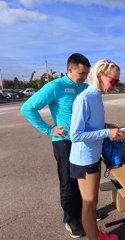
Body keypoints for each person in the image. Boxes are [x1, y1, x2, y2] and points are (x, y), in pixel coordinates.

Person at [21, 53, 91, 238]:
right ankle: (71, 219)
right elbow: (28, 107)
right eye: (81, 73)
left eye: (86, 74)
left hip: (82, 140)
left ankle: (84, 212)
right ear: (70, 69)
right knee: (68, 181)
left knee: (82, 179)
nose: (84, 77)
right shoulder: (55, 86)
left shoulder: (84, 87)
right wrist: (48, 129)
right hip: (64, 141)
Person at [69, 59, 123, 240]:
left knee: (93, 202)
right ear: (100, 75)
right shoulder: (84, 98)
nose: (115, 85)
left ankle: (96, 234)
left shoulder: (96, 96)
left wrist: (107, 126)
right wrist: (107, 131)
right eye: (113, 81)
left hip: (92, 156)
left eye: (117, 82)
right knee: (89, 204)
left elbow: (91, 126)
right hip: (84, 159)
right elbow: (75, 135)